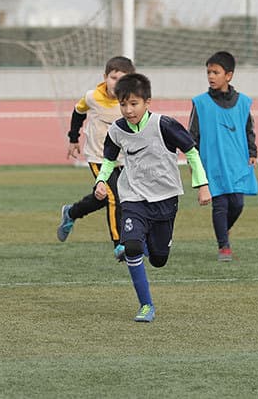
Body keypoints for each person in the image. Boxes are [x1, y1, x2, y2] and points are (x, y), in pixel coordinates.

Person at [92, 73, 211, 322]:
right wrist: (101, 180)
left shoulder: (163, 125)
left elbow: (191, 150)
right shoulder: (117, 130)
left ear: (148, 102)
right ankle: (146, 305)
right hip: (133, 197)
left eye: (133, 104)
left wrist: (202, 185)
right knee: (132, 246)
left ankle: (141, 244)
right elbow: (109, 160)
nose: (128, 110)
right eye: (123, 104)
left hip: (165, 199)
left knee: (158, 260)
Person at [57, 56, 135, 262]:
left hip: (122, 159)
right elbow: (78, 111)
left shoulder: (131, 100)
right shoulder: (92, 97)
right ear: (105, 77)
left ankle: (71, 212)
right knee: (114, 197)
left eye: (122, 78)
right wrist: (73, 139)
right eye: (113, 77)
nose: (117, 82)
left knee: (102, 198)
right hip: (98, 157)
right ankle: (120, 245)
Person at [188, 51, 258, 262]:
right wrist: (194, 161)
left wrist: (253, 151)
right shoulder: (200, 103)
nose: (210, 76)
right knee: (220, 204)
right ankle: (223, 247)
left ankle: (223, 230)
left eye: (215, 72)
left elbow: (249, 129)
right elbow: (192, 134)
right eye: (208, 72)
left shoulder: (244, 102)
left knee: (237, 203)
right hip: (213, 163)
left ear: (228, 75)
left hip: (237, 162)